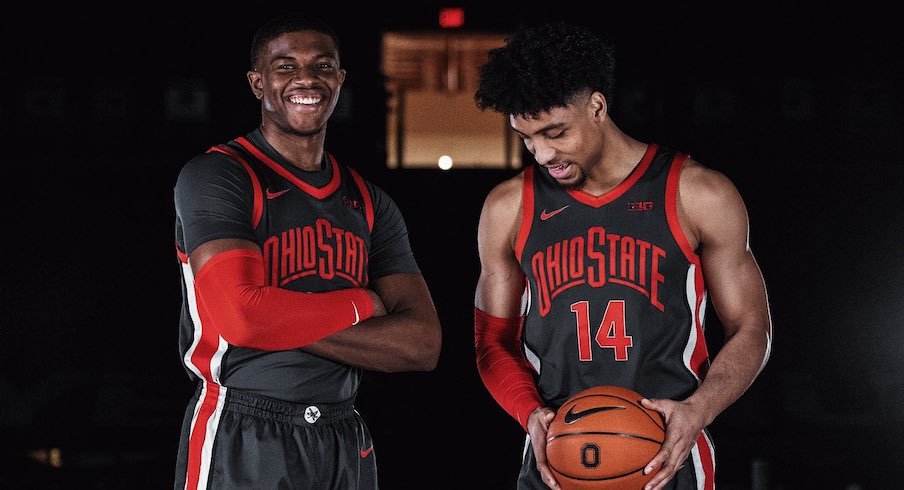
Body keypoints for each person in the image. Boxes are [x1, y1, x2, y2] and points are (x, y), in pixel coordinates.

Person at [472, 21, 772, 490]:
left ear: (597, 105)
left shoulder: (697, 194)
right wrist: (529, 414)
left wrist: (698, 410)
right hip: (557, 460)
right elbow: (492, 343)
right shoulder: (508, 207)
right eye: (526, 138)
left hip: (667, 457)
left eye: (555, 132)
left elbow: (751, 328)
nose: (543, 153)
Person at [172, 12, 442, 490]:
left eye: (322, 66)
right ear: (257, 83)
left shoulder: (369, 201)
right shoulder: (219, 176)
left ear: (339, 79)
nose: (306, 79)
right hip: (243, 421)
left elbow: (422, 344)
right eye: (285, 66)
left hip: (344, 428)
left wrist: (277, 314)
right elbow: (242, 319)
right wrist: (363, 307)